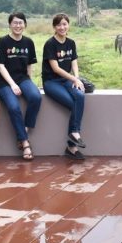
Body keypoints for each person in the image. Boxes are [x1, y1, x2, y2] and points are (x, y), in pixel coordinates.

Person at [0, 11, 41, 161]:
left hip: (23, 79)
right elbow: (0, 65)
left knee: (35, 97)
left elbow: (29, 65)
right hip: (4, 82)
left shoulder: (28, 42)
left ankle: (24, 129)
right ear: (10, 25)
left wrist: (30, 82)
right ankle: (25, 142)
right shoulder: (3, 41)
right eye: (15, 23)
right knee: (14, 107)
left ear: (25, 25)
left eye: (20, 23)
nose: (18, 25)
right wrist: (12, 84)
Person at [42, 13, 87, 160]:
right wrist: (73, 78)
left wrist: (76, 78)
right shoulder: (50, 44)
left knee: (79, 95)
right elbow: (55, 69)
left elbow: (74, 62)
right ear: (54, 27)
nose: (62, 27)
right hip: (51, 82)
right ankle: (72, 143)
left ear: (68, 25)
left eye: (64, 24)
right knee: (73, 103)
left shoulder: (71, 43)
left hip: (66, 80)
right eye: (59, 25)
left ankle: (73, 138)